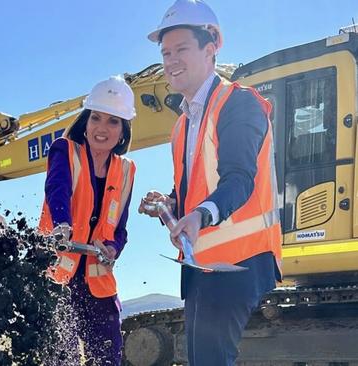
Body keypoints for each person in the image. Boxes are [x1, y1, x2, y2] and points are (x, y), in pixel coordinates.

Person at [138, 1, 282, 364]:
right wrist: (170, 204)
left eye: (181, 49)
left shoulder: (239, 104)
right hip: (203, 263)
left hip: (238, 262)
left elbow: (239, 178)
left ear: (212, 46)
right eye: (166, 52)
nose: (171, 61)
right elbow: (196, 187)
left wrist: (200, 216)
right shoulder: (182, 124)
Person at [39, 76, 136, 365]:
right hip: (57, 279)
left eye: (113, 121)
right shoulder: (64, 150)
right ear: (86, 121)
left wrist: (113, 248)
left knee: (107, 357)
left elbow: (120, 228)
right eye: (96, 118)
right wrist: (62, 224)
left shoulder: (127, 171)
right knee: (60, 357)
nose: (102, 128)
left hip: (99, 284)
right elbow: (57, 188)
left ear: (123, 131)